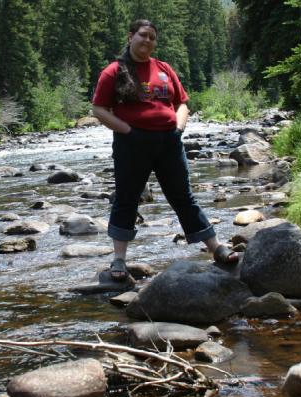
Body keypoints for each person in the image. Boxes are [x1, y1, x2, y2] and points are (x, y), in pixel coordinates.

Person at [91, 18, 239, 280]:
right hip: (131, 143)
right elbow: (99, 109)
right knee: (127, 199)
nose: (147, 41)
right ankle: (118, 260)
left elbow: (182, 103)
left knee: (183, 197)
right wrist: (127, 131)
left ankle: (215, 247)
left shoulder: (164, 68)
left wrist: (178, 129)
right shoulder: (114, 71)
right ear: (130, 37)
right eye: (143, 35)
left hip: (168, 142)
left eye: (152, 37)